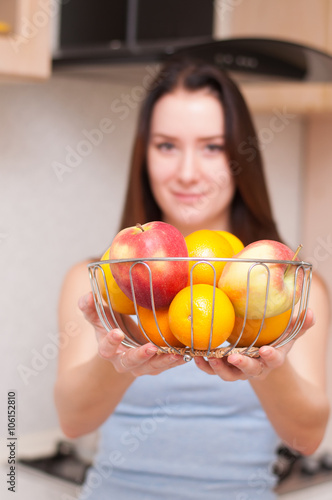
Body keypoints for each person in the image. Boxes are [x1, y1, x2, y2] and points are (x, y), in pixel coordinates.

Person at [54, 57, 330, 500]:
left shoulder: (290, 287)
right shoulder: (104, 284)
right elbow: (73, 421)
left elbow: (307, 438)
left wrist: (268, 368)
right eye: (166, 146)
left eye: (212, 147)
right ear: (143, 156)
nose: (186, 172)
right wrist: (117, 361)